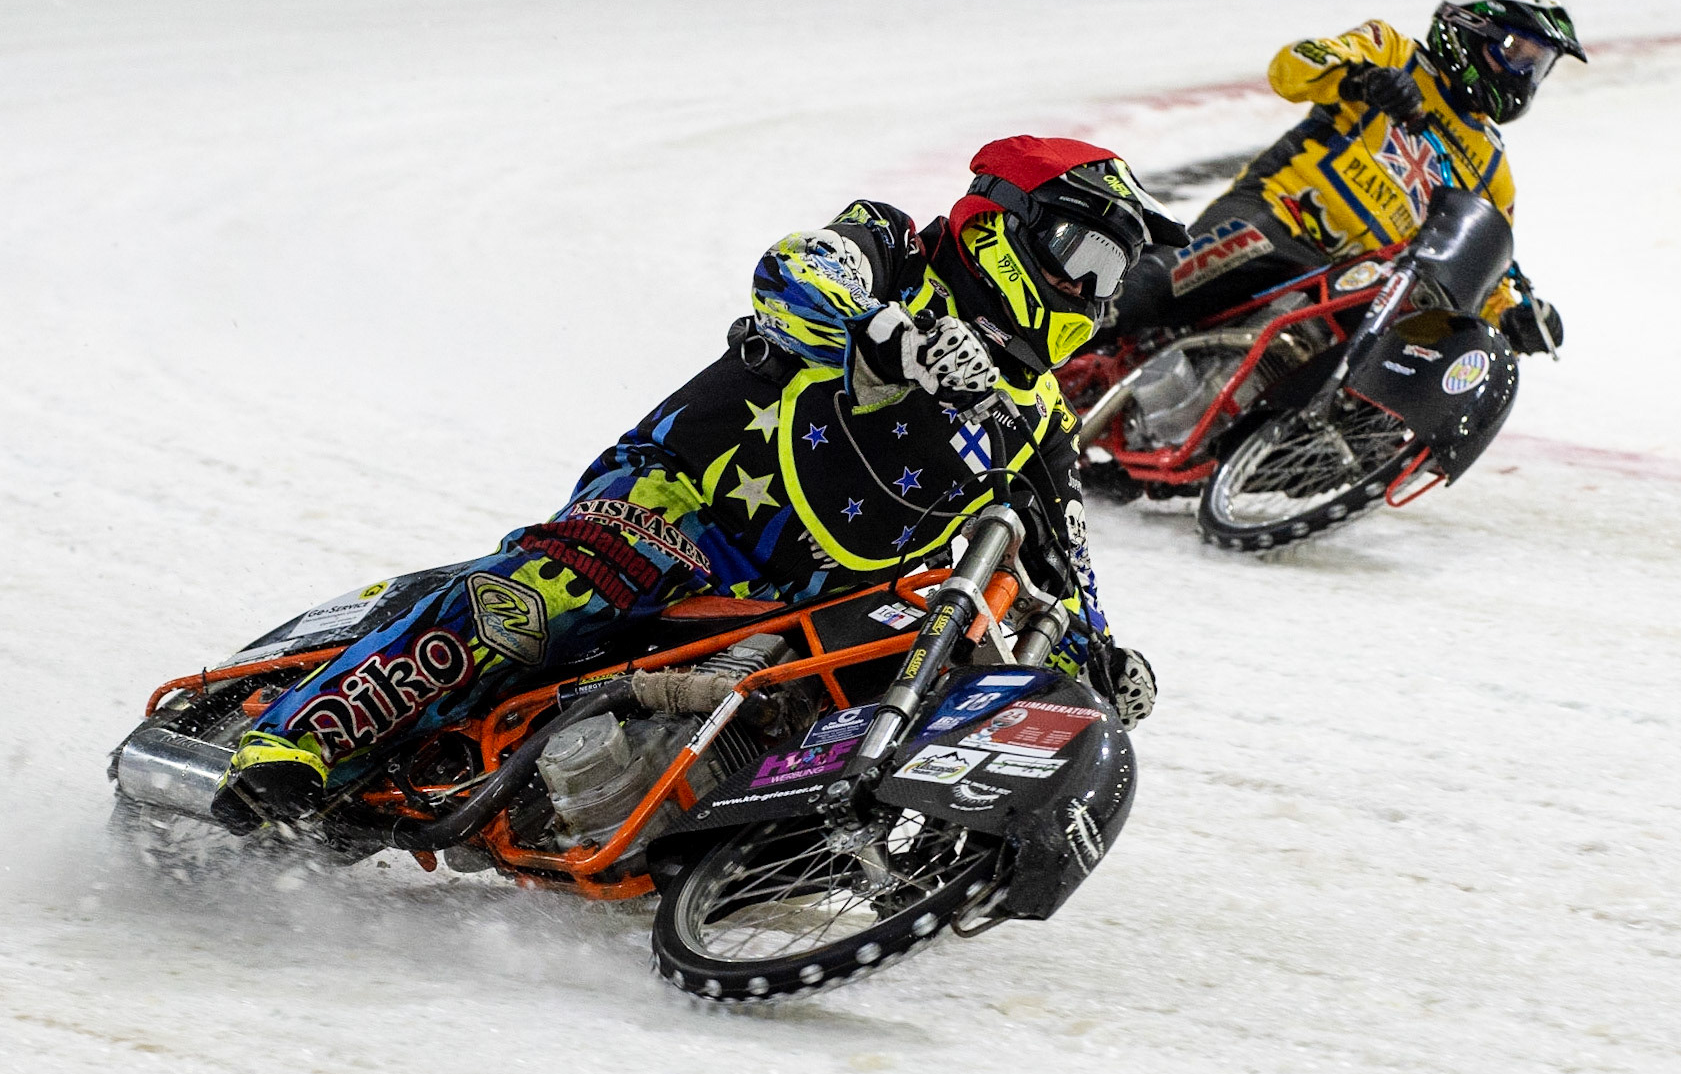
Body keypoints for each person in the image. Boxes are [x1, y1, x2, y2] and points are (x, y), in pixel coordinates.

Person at [211, 135, 1190, 832]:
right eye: (1087, 255)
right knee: (546, 597)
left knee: (903, 664)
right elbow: (797, 271)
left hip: (804, 601)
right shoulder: (896, 248)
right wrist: (883, 333)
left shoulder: (1040, 416)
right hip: (682, 502)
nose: (1095, 292)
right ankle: (298, 739)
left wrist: (1100, 657)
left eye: (1115, 275)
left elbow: (1062, 555)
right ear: (1007, 223)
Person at [1110, 0, 1583, 355]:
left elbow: (1480, 275)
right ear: (1466, 29)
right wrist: (1361, 80)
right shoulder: (1390, 50)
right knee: (1150, 288)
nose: (1524, 76)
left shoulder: (1493, 172)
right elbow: (1290, 67)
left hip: (1356, 291)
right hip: (1281, 222)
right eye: (1515, 52)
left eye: (1538, 62)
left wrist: (1514, 318)